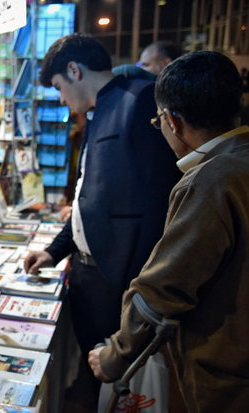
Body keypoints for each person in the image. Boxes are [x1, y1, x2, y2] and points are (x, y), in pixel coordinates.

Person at [23, 33, 181, 409]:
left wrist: (137, 283)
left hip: (118, 280)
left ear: (75, 70)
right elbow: (86, 201)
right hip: (88, 273)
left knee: (118, 382)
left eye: (60, 87)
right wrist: (54, 251)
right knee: (97, 376)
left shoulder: (137, 100)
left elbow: (160, 199)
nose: (62, 100)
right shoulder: (98, 111)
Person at [89, 51, 249, 412]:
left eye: (157, 120)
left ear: (172, 121)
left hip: (226, 378)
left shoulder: (210, 181)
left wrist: (114, 356)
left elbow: (160, 291)